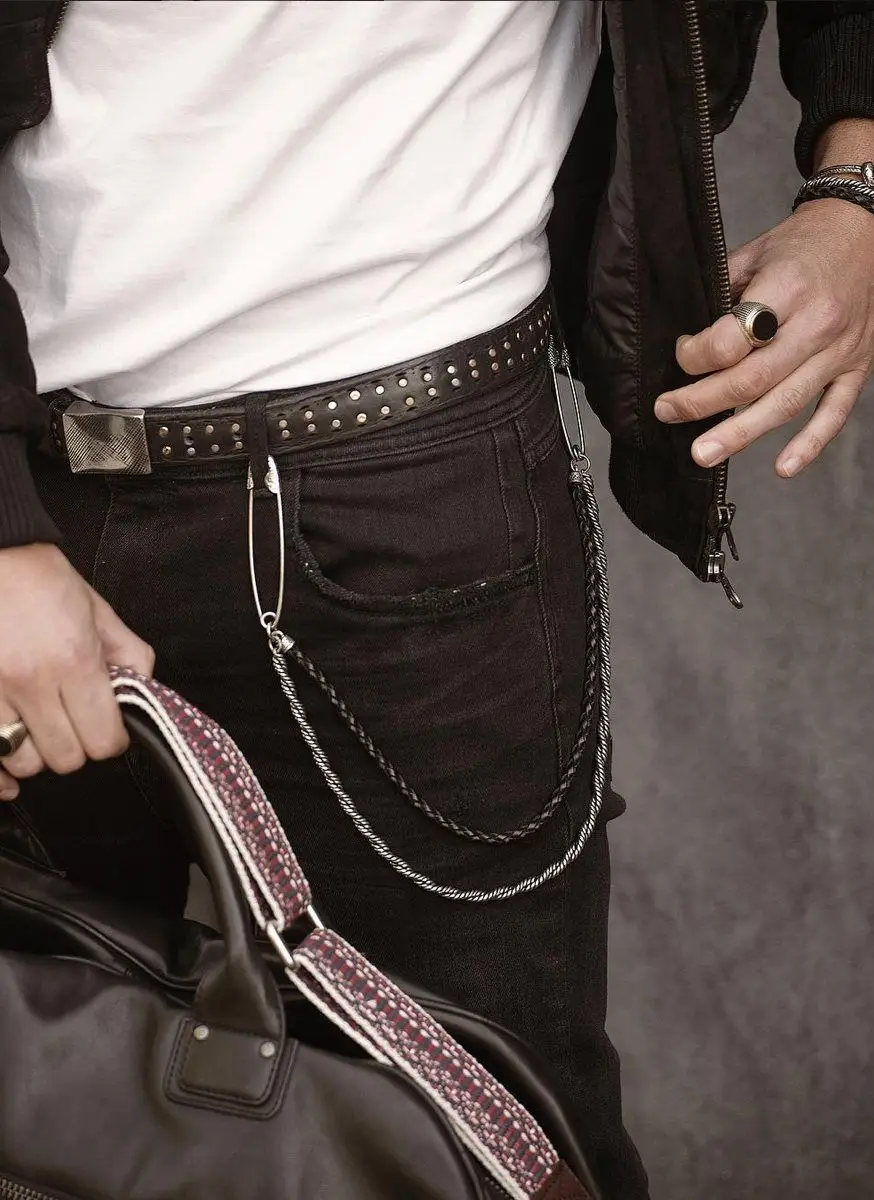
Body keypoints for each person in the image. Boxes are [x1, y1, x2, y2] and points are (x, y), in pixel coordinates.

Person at [0, 2, 873, 1197]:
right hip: (28, 495)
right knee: (45, 1131)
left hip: (410, 497)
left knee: (494, 1147)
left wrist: (858, 191)